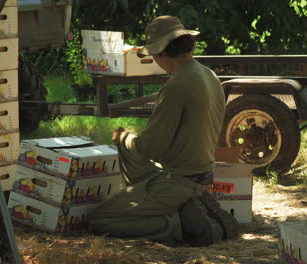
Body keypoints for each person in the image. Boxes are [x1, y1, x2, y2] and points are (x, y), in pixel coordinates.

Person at [87, 15, 238, 245]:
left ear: (161, 54)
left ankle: (177, 224)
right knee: (126, 147)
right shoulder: (209, 74)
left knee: (98, 220)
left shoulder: (177, 85)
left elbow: (150, 148)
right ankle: (174, 204)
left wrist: (124, 137)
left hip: (179, 181)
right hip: (203, 173)